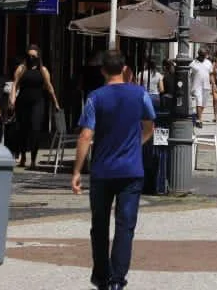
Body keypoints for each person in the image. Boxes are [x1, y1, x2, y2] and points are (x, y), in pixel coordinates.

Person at [72, 50, 155, 290]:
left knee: (99, 225)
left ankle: (101, 276)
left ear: (103, 71)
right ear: (125, 69)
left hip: (102, 171)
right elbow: (150, 124)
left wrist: (77, 170)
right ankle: (118, 279)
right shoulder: (140, 94)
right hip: (131, 170)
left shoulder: (95, 98)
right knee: (125, 225)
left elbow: (86, 135)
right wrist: (137, 143)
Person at [10, 45, 61, 169]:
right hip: (22, 102)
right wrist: (12, 100)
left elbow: (49, 86)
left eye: (33, 56)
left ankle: (33, 159)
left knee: (35, 129)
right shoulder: (21, 68)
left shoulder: (43, 70)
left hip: (38, 102)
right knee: (22, 130)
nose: (31, 58)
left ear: (38, 57)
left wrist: (56, 102)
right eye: (29, 55)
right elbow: (15, 85)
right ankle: (22, 156)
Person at [189, 49, 213, 127]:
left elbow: (211, 74)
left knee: (203, 103)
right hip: (196, 86)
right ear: (198, 54)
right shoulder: (193, 63)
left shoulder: (208, 63)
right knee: (199, 101)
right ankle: (199, 120)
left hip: (206, 86)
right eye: (202, 55)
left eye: (204, 55)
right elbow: (188, 75)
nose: (203, 57)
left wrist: (214, 84)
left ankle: (198, 116)